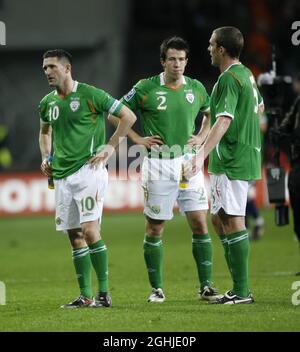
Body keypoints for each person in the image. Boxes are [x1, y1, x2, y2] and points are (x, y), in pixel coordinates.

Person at [109, 37, 221, 303]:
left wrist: (202, 137)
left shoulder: (195, 88)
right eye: (172, 59)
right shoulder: (145, 87)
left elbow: (210, 115)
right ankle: (157, 288)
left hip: (188, 162)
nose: (177, 64)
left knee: (199, 223)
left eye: (182, 59)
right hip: (158, 164)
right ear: (163, 61)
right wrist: (137, 139)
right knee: (155, 228)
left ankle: (206, 286)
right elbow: (114, 113)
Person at [39, 49, 136, 308]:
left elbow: (128, 116)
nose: (47, 72)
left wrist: (111, 147)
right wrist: (46, 156)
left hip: (89, 171)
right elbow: (44, 132)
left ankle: (104, 293)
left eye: (52, 67)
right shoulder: (47, 102)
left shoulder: (91, 94)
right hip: (61, 176)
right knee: (74, 235)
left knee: (90, 231)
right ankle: (86, 296)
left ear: (67, 68)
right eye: (45, 68)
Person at [186, 27, 264, 304]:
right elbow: (259, 109)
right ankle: (238, 287)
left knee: (232, 220)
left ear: (221, 49)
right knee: (219, 218)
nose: (207, 48)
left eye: (211, 44)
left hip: (231, 157)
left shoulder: (229, 79)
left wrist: (200, 155)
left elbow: (224, 120)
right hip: (241, 153)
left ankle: (241, 291)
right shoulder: (247, 75)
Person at [276, 73, 300, 275]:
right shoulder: (298, 103)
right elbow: (288, 121)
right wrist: (281, 130)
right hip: (297, 164)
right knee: (297, 213)